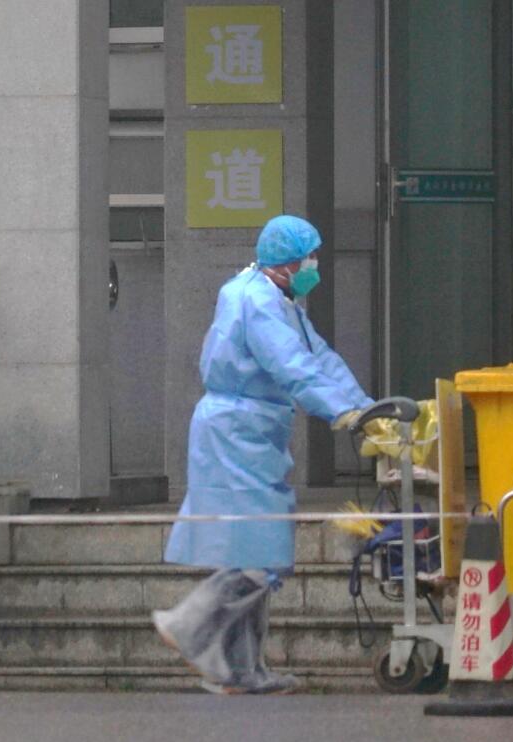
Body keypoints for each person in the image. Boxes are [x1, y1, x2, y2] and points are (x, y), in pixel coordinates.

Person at [153, 214, 374, 694]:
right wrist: (341, 412)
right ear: (291, 261)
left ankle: (238, 671)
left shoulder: (276, 297)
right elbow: (294, 367)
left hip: (251, 429)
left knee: (253, 549)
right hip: (238, 432)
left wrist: (363, 408)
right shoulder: (257, 301)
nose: (315, 263)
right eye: (310, 256)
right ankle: (188, 624)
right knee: (258, 551)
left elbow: (320, 358)